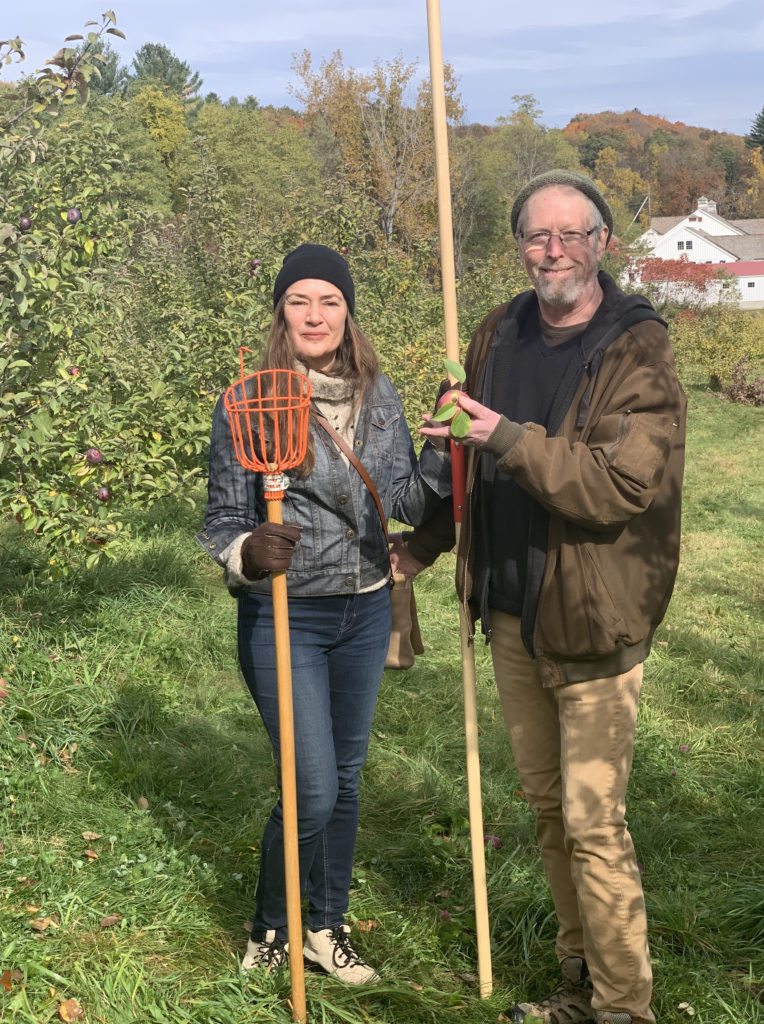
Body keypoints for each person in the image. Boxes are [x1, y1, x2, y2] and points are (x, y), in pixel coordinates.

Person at [391, 170, 686, 1024]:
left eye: (570, 234)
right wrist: (426, 545)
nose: (551, 251)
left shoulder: (639, 348)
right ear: (519, 244)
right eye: (535, 235)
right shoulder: (495, 334)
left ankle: (626, 1008)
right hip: (512, 614)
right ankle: (578, 983)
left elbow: (616, 485)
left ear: (603, 244)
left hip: (594, 622)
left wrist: (505, 437)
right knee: (550, 814)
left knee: (595, 823)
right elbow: (464, 460)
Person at [197, 244, 450, 983]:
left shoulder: (381, 395)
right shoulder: (248, 402)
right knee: (307, 784)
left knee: (343, 779)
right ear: (281, 310)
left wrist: (440, 446)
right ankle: (272, 924)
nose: (315, 315)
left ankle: (325, 924)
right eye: (300, 300)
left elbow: (403, 500)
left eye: (329, 301)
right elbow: (220, 520)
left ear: (348, 312)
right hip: (287, 614)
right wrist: (249, 549)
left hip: (366, 609)